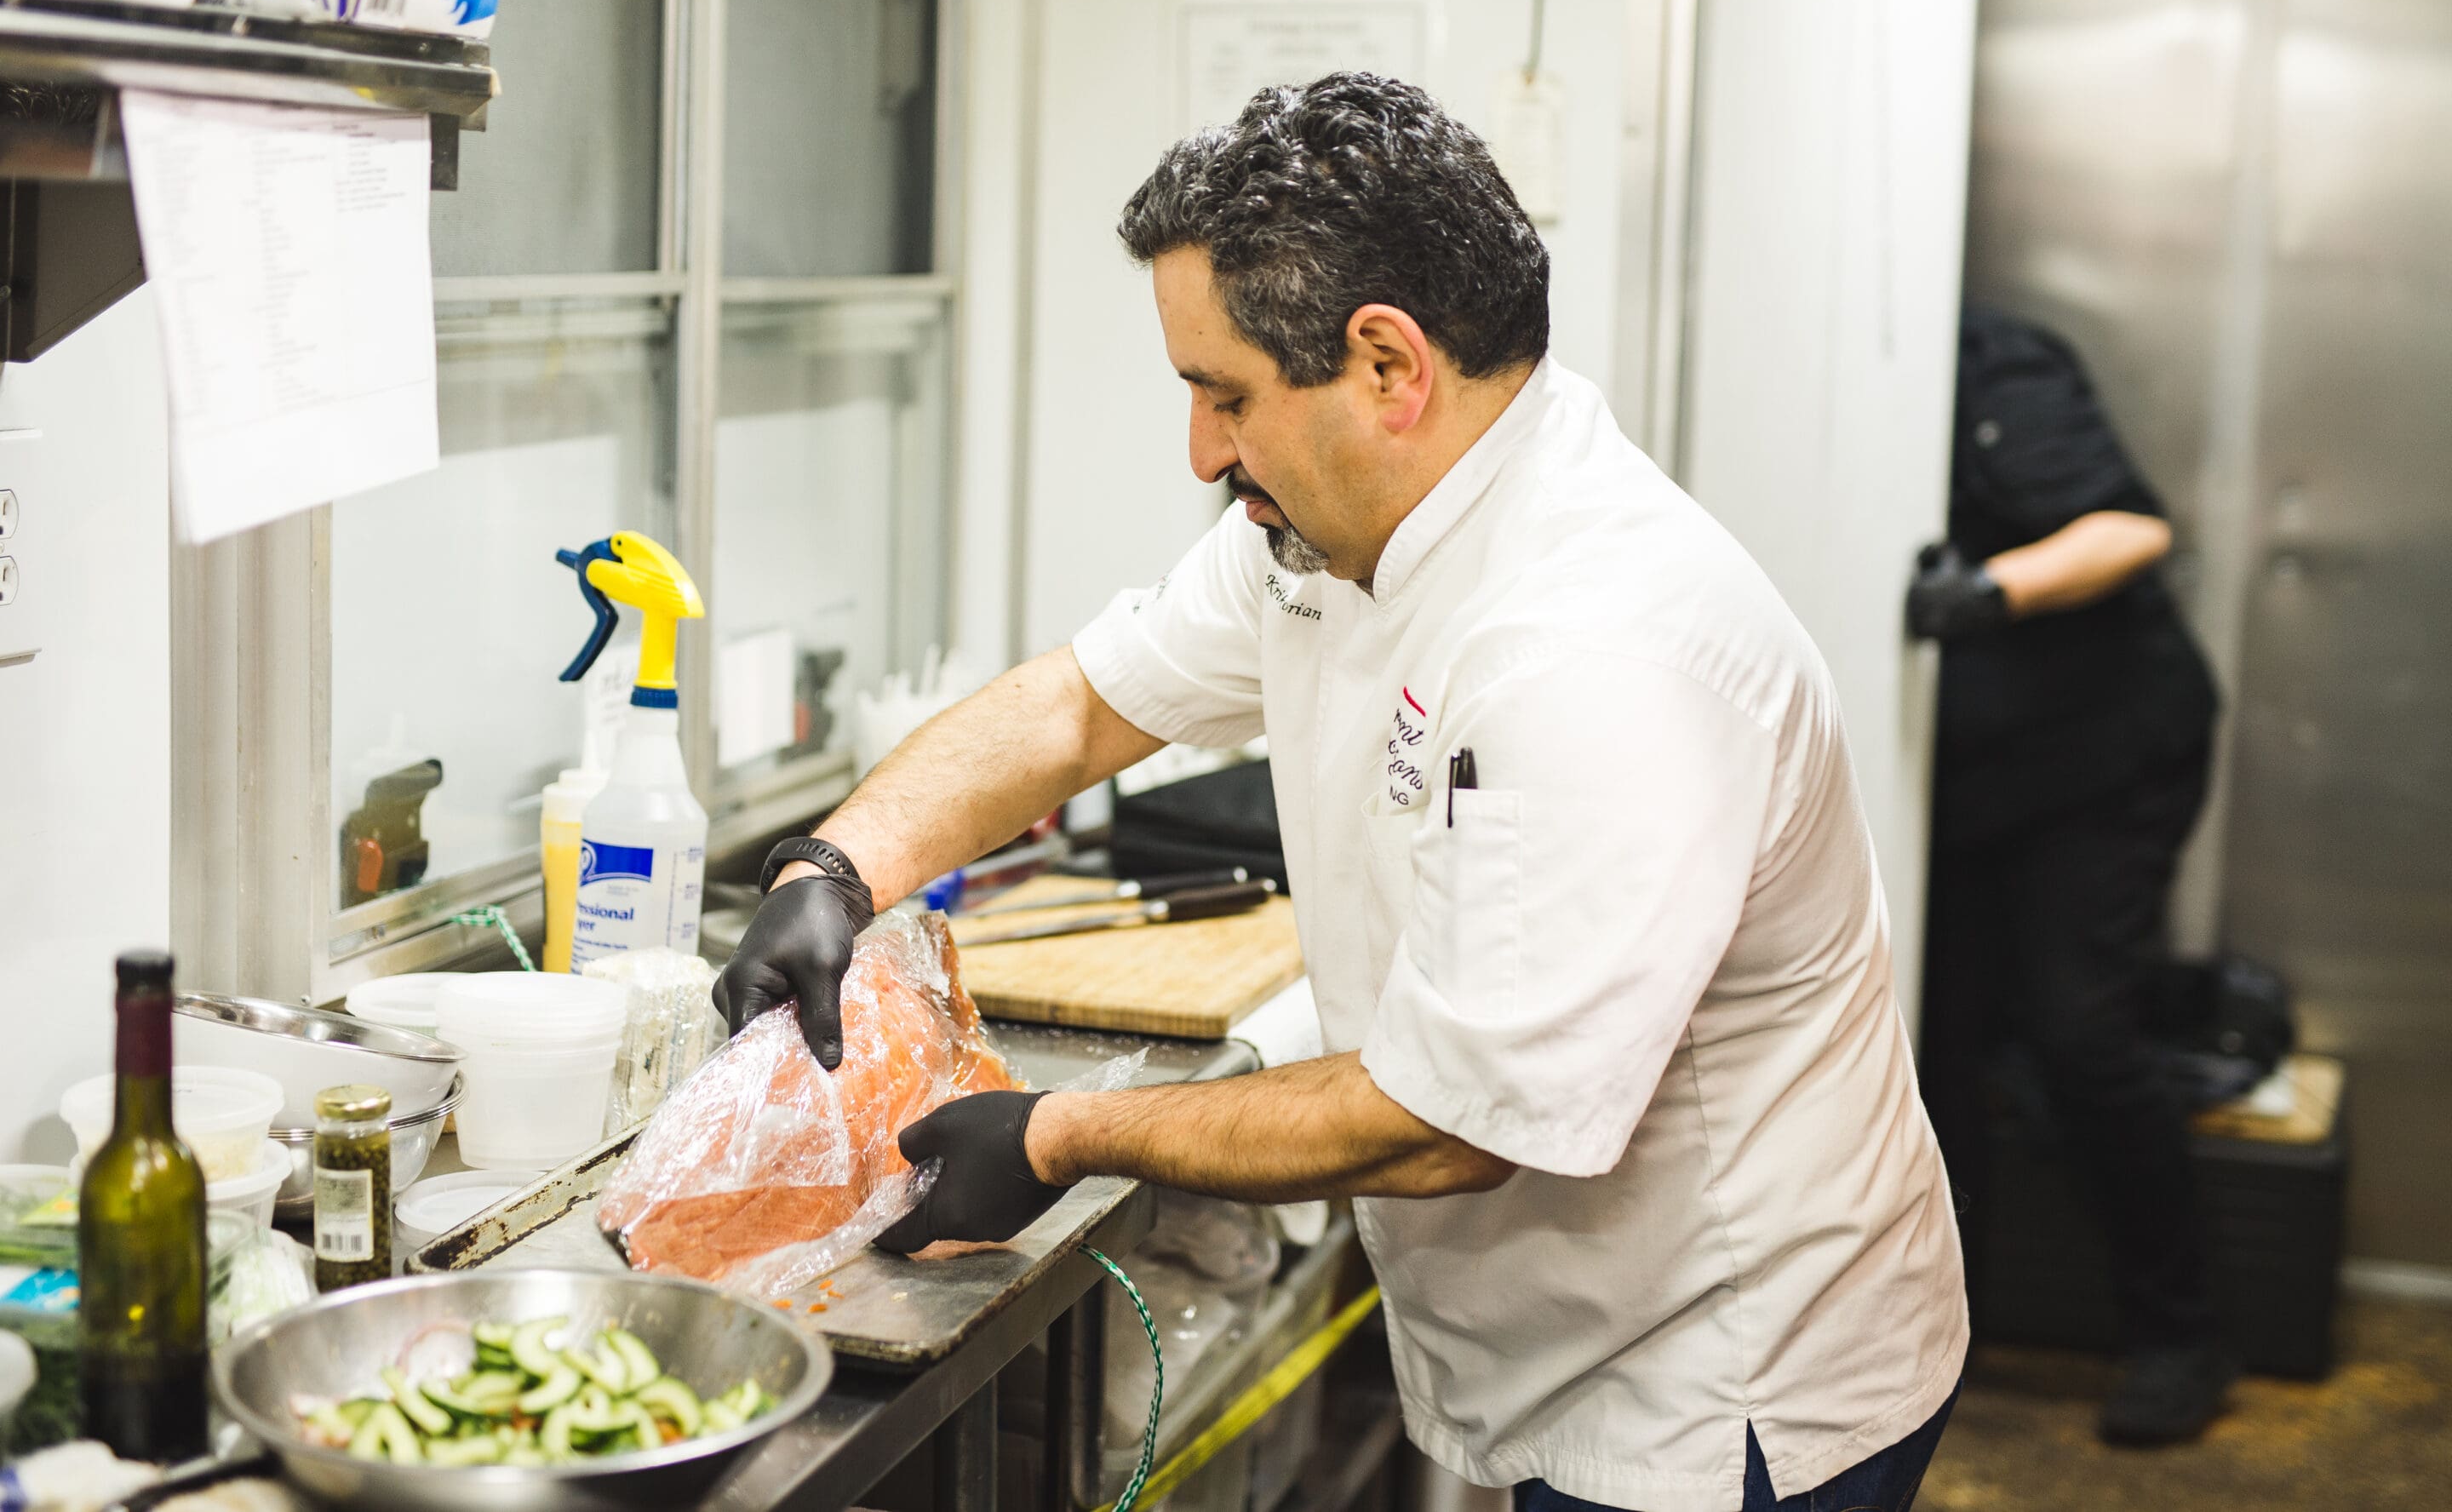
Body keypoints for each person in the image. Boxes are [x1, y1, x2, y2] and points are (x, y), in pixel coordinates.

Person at [718, 74, 1968, 1512]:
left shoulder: (1599, 644)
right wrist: (834, 863)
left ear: (1388, 364)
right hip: (1584, 1337)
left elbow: (1454, 1122)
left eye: (1225, 394)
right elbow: (1079, 705)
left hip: (1728, 1391)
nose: (1201, 451)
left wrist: (1056, 1131)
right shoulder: (1322, 533)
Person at [1908, 305, 2229, 1446]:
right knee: (1930, 1043)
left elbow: (2128, 528)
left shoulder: (1986, 361)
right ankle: (1947, 1329)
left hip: (2106, 754)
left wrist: (1985, 593)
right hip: (1976, 776)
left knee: (2080, 1030)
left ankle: (2179, 1335)